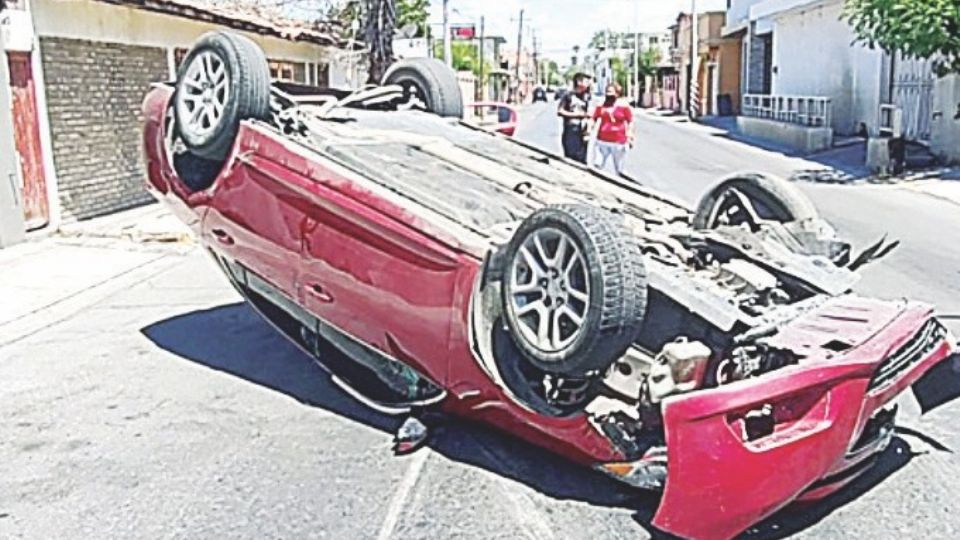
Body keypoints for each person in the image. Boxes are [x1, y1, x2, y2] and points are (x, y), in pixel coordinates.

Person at [591, 83, 634, 176]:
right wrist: (588, 130)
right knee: (597, 165)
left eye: (611, 92)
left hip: (619, 142)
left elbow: (630, 121)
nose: (608, 94)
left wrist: (630, 136)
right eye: (607, 92)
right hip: (602, 141)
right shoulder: (601, 105)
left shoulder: (623, 106)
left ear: (617, 94)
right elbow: (594, 118)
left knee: (619, 169)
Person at [557, 73, 593, 163]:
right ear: (579, 82)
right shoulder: (568, 95)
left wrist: (588, 129)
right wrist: (577, 115)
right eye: (586, 81)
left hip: (583, 131)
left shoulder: (587, 96)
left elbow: (589, 115)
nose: (589, 83)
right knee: (571, 159)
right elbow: (560, 111)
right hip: (571, 130)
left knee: (582, 160)